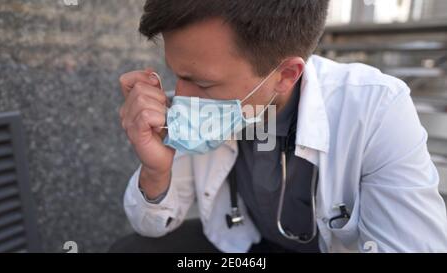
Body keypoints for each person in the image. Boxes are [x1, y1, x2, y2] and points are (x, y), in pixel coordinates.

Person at [111, 0, 447, 253]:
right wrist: (156, 171)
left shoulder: (375, 108)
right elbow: (151, 225)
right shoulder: (198, 107)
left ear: (286, 75)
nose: (180, 98)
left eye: (201, 83)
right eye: (176, 74)